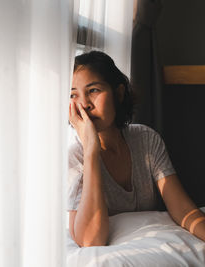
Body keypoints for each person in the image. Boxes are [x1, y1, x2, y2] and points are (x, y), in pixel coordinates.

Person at [67, 50, 205, 247]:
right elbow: (90, 240)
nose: (84, 104)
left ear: (119, 93)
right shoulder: (76, 156)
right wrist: (91, 151)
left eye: (93, 90)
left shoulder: (145, 139)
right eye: (73, 94)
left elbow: (183, 210)